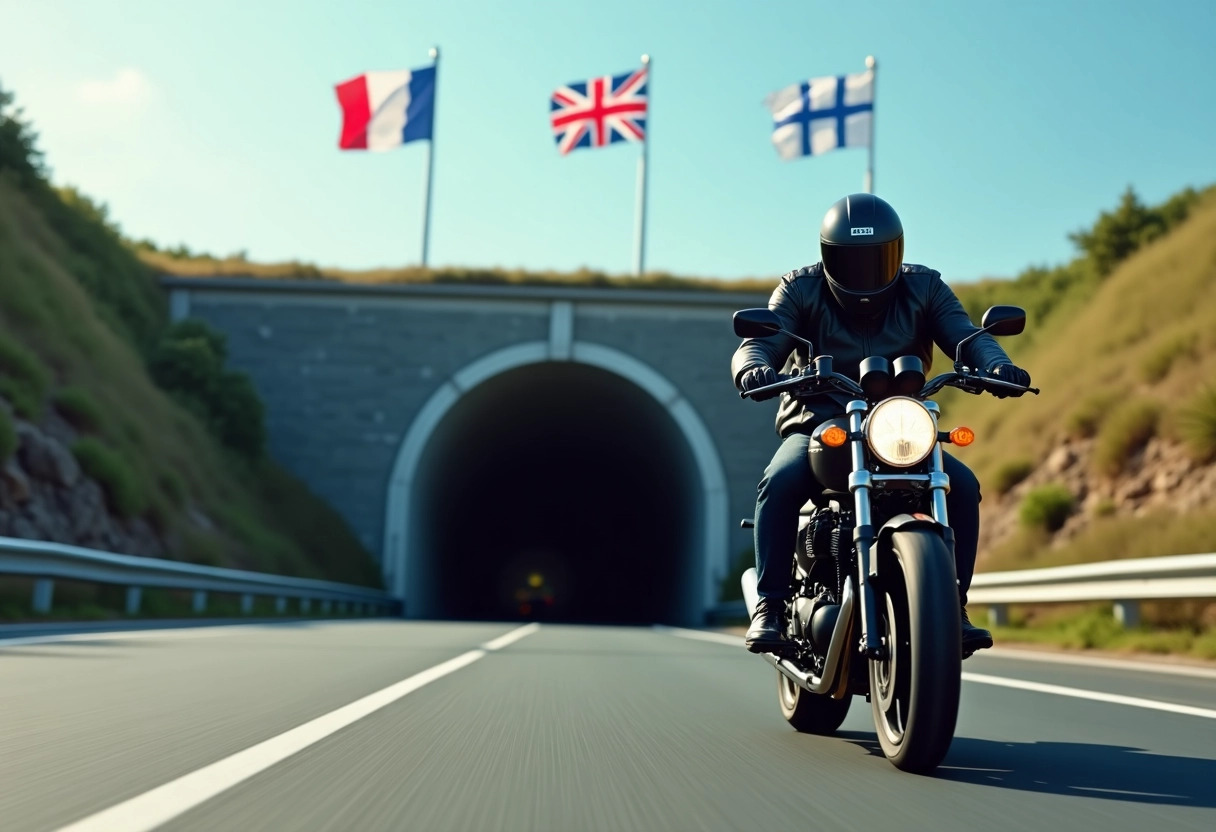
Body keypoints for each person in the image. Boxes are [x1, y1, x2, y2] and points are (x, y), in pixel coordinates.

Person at [732, 193, 1031, 656]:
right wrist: (754, 366)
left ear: (898, 251)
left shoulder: (926, 287)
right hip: (819, 422)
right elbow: (762, 341)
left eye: (878, 259)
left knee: (964, 486)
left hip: (899, 427)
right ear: (828, 256)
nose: (865, 273)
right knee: (780, 478)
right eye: (852, 262)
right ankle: (770, 607)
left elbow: (965, 335)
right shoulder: (798, 288)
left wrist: (996, 365)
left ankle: (952, 605)